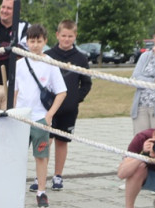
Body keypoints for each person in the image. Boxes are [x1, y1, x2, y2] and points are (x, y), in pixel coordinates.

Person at [14, 24, 66, 208]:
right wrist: (12, 112)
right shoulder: (19, 64)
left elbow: (61, 92)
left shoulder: (50, 64)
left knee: (41, 156)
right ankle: (13, 191)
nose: (35, 45)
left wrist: (49, 115)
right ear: (26, 42)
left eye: (39, 41)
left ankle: (41, 192)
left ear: (45, 41)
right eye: (31, 41)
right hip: (20, 117)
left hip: (40, 118)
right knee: (17, 156)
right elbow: (15, 91)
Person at [46, 19, 92, 192]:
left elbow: (86, 83)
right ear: (57, 35)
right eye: (63, 36)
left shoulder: (81, 58)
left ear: (75, 36)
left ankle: (58, 176)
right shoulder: (48, 55)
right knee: (46, 140)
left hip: (69, 109)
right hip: (49, 107)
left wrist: (75, 99)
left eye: (70, 36)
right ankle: (40, 175)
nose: (66, 39)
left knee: (62, 141)